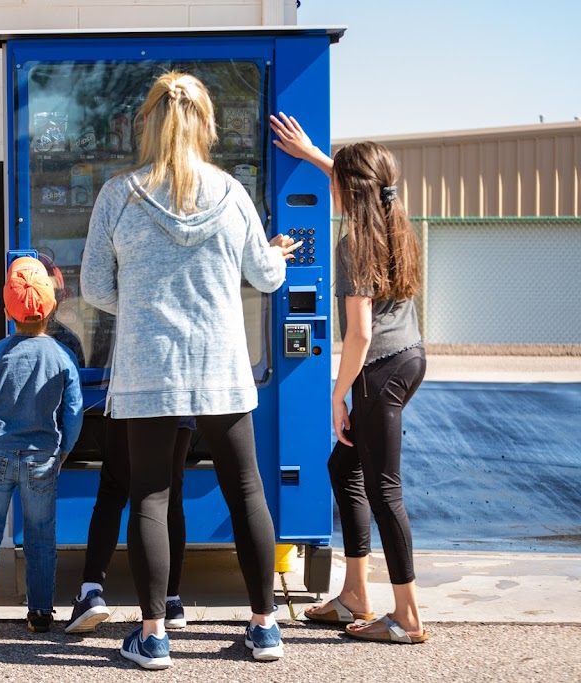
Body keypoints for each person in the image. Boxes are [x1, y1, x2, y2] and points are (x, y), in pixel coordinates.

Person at [80, 72, 302, 670]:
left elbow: (96, 288)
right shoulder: (232, 194)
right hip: (222, 367)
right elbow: (268, 276)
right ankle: (264, 628)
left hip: (148, 367)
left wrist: (151, 301)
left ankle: (153, 637)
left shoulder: (117, 195)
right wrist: (275, 254)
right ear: (207, 124)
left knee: (150, 494)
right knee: (247, 490)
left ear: (144, 123)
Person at [270, 112, 429, 645]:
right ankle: (355, 596)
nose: (331, 190)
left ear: (349, 191)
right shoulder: (393, 220)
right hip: (408, 357)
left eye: (336, 181)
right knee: (345, 467)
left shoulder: (354, 243)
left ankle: (407, 618)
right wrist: (314, 153)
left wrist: (339, 396)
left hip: (378, 368)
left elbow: (358, 335)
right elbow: (358, 181)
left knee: (384, 491)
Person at [0, 256, 84, 636]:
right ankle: (41, 611)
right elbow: (73, 412)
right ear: (52, 305)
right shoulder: (63, 356)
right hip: (43, 456)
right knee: (41, 534)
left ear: (8, 309)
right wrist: (64, 451)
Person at [64, 416, 195, 634]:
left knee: (112, 490)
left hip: (132, 403)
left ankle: (91, 593)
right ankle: (171, 602)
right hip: (181, 406)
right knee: (170, 496)